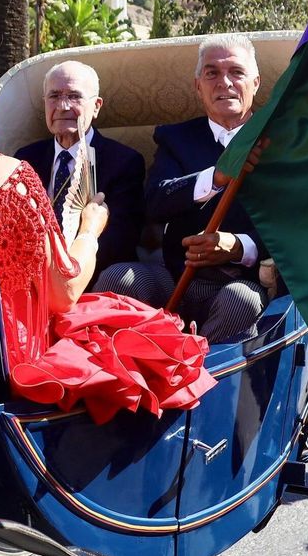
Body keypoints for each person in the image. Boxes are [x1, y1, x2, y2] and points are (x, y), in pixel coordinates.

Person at [0, 90, 212, 424]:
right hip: (3, 360)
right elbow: (64, 292)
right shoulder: (7, 171)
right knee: (146, 347)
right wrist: (90, 230)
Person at [97, 34, 269, 342]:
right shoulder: (176, 138)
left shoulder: (278, 143)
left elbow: (301, 229)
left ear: (255, 83)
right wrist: (215, 178)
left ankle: (199, 384)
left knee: (240, 303)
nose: (224, 82)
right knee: (117, 279)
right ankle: (121, 382)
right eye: (212, 73)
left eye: (236, 72)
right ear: (198, 86)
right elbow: (156, 200)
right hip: (175, 279)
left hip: (241, 282)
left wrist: (241, 247)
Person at [13, 60, 145, 277]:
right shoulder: (26, 159)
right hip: (33, 273)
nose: (63, 106)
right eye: (54, 96)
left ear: (96, 106)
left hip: (94, 275)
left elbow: (121, 241)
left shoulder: (124, 162)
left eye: (74, 96)